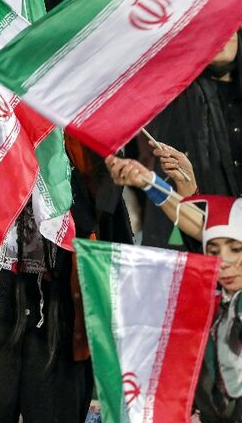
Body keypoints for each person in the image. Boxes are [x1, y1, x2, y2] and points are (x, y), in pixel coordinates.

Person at [106, 157, 241, 423]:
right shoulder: (215, 306)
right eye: (213, 252)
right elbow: (203, 225)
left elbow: (201, 224)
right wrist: (150, 182)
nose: (223, 262)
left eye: (236, 250)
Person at [140, 31, 241, 248]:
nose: (222, 36)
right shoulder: (176, 93)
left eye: (229, 28)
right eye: (213, 29)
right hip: (199, 229)